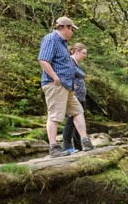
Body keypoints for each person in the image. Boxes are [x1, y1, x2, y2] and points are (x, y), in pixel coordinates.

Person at [37, 16, 94, 157]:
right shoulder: (51, 39)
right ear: (65, 27)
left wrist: (71, 82)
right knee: (55, 116)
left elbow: (67, 65)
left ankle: (85, 141)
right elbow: (43, 60)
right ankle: (54, 148)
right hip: (55, 85)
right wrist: (55, 77)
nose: (73, 33)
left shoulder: (63, 43)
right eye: (72, 29)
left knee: (78, 111)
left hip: (66, 86)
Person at [62, 43, 88, 154]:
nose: (85, 56)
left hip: (80, 97)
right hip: (74, 96)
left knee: (79, 122)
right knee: (71, 122)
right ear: (76, 51)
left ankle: (78, 146)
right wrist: (83, 74)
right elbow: (74, 73)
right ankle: (67, 146)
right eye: (83, 53)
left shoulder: (76, 63)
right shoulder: (70, 62)